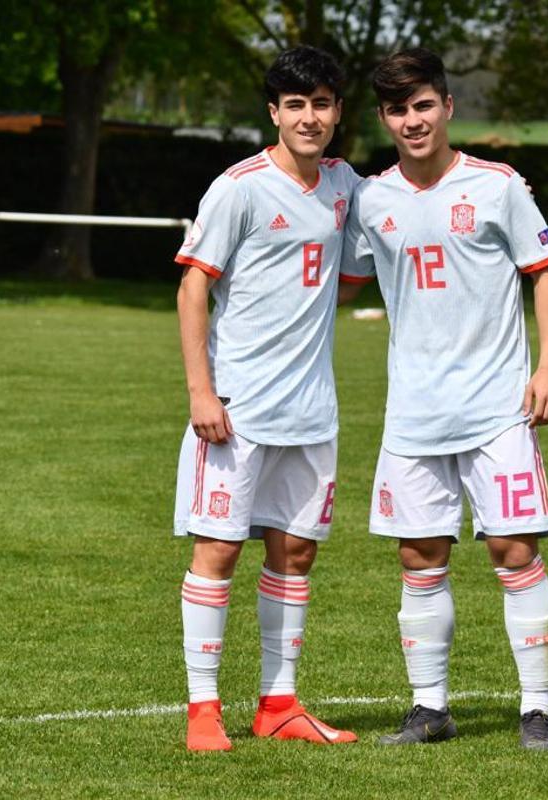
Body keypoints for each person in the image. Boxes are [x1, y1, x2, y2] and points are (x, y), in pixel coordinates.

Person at [340, 48, 548, 751]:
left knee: (513, 547)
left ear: (447, 106)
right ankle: (429, 708)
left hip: (497, 405)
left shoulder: (498, 186)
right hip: (413, 413)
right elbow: (337, 280)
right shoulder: (371, 201)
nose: (413, 121)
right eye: (398, 110)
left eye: (423, 105)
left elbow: (545, 269)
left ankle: (536, 709)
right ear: (384, 118)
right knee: (419, 556)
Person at [172, 46, 364, 752]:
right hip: (238, 410)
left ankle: (278, 705)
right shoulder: (239, 188)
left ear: (338, 112)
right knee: (218, 550)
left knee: (295, 552)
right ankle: (203, 712)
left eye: (321, 104)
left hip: (312, 412)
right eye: (295, 105)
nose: (308, 118)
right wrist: (202, 392)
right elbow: (194, 285)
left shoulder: (345, 185)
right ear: (273, 113)